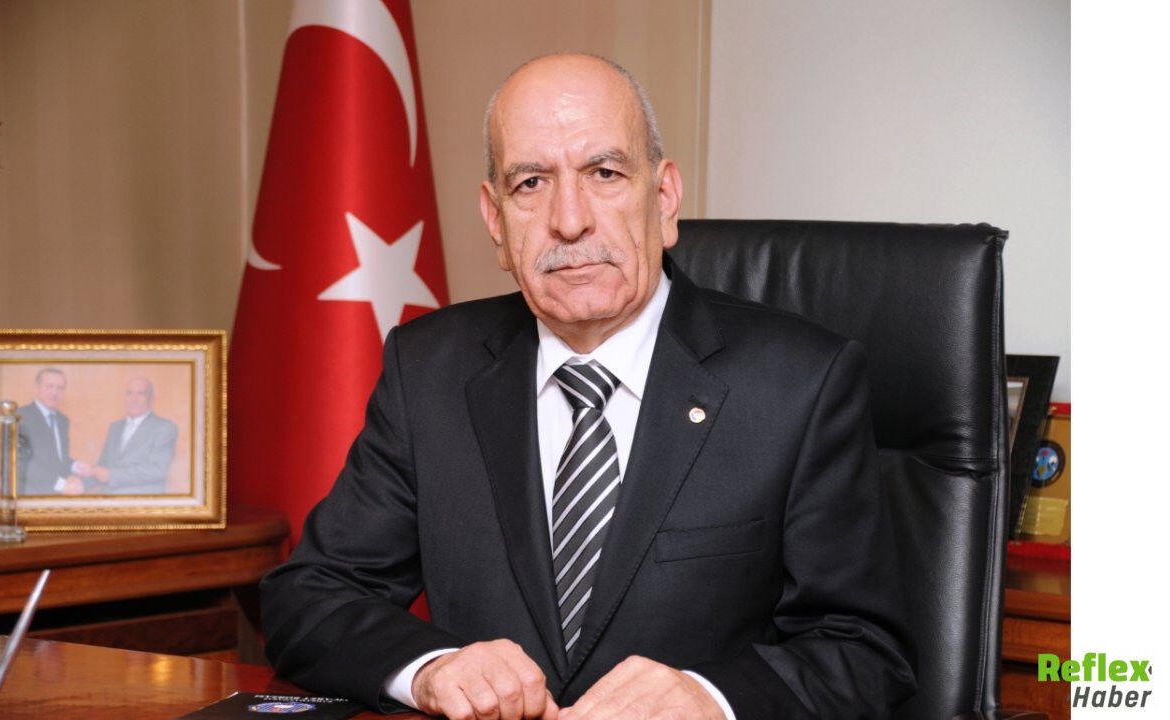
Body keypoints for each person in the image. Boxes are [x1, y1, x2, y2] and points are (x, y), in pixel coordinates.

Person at [262, 54, 915, 719]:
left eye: (604, 173)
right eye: (531, 183)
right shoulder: (430, 370)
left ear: (664, 198)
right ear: (495, 220)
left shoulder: (800, 383)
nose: (569, 220)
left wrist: (711, 698)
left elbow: (865, 653)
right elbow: (308, 597)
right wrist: (431, 669)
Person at [83, 377, 178, 495]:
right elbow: (103, 467)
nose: (134, 399)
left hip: (142, 500)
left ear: (152, 399)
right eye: (129, 394)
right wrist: (81, 483)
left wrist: (112, 475)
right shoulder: (115, 427)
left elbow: (158, 470)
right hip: (108, 498)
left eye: (141, 394)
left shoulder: (165, 427)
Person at [17, 367, 90, 495]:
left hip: (59, 494)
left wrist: (75, 466)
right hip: (31, 495)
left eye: (60, 388)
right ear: (37, 388)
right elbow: (23, 465)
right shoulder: (20, 417)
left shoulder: (63, 420)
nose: (55, 392)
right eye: (49, 386)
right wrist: (62, 485)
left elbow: (58, 458)